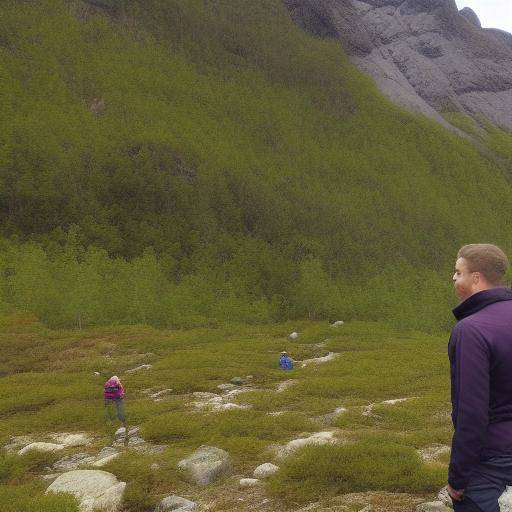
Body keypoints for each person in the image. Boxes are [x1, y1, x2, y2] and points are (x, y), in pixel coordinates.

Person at [448, 244, 512, 511]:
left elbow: (471, 413)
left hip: (491, 460)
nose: (453, 277)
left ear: (476, 278)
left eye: (458, 272)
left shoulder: (471, 330)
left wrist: (458, 478)